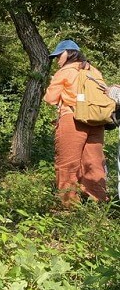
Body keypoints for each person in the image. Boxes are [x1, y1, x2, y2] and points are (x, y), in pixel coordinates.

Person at [43, 39, 107, 206]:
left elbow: (50, 99)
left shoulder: (65, 71)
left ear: (69, 53)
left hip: (72, 119)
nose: (57, 60)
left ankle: (68, 206)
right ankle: (97, 203)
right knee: (94, 163)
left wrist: (52, 83)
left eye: (59, 56)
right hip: (96, 121)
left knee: (67, 164)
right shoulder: (94, 70)